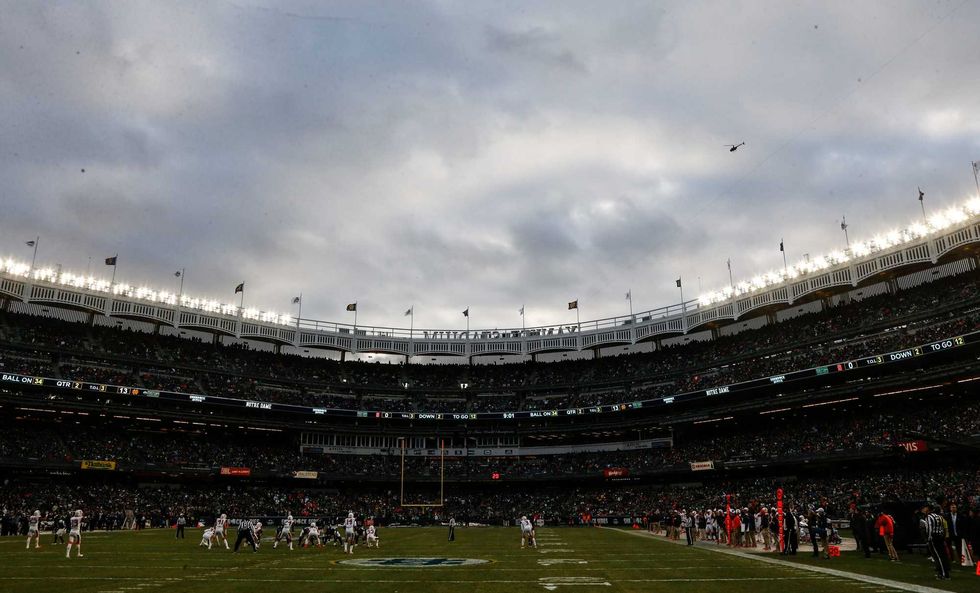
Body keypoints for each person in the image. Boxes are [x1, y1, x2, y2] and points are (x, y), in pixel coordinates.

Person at [921, 502, 950, 580]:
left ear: (928, 508)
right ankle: (942, 573)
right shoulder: (939, 516)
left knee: (938, 556)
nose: (923, 509)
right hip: (940, 537)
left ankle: (944, 574)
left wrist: (929, 539)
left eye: (924, 508)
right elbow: (943, 528)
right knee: (942, 555)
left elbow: (929, 529)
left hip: (934, 538)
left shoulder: (928, 517)